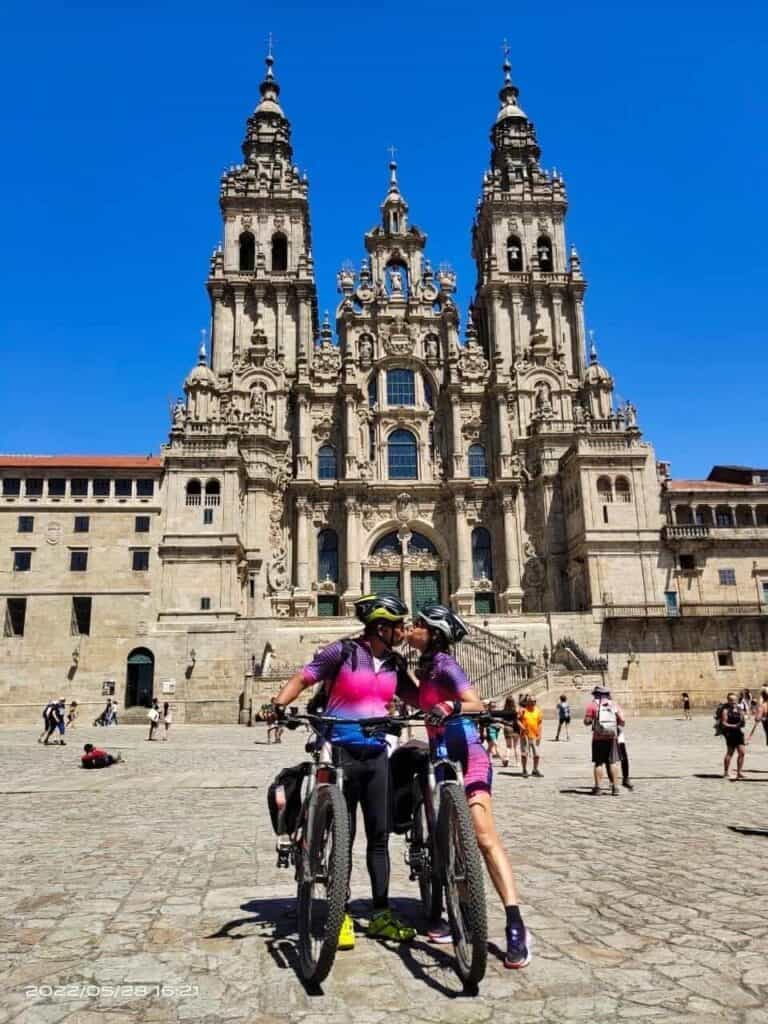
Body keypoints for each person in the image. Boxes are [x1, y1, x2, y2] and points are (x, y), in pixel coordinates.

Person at [271, 594, 418, 949]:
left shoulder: (396, 665)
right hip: (340, 751)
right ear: (381, 628)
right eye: (399, 626)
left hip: (375, 755)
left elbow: (418, 697)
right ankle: (342, 914)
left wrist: (450, 703)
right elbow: (304, 679)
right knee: (344, 838)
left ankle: (381, 912)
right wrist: (277, 705)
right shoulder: (343, 653)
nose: (405, 632)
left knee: (379, 837)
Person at [405, 605, 531, 968]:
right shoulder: (425, 670)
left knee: (483, 836)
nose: (411, 629)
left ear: (434, 634)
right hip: (441, 758)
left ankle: (514, 921)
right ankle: (454, 912)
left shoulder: (446, 664)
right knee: (448, 843)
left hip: (468, 753)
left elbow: (473, 703)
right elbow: (418, 699)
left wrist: (448, 706)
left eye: (418, 625)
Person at [583, 686, 625, 796]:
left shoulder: (592, 705)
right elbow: (622, 721)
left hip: (598, 738)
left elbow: (587, 722)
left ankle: (598, 788)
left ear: (595, 694)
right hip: (612, 738)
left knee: (598, 763)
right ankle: (615, 787)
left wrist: (592, 721)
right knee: (613, 762)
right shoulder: (614, 704)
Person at [720, 691, 746, 780]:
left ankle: (739, 772)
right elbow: (724, 723)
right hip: (730, 733)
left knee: (742, 753)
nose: (733, 701)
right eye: (731, 700)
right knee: (730, 753)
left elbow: (742, 722)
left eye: (734, 700)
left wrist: (742, 721)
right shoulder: (725, 710)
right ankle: (726, 772)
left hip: (738, 733)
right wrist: (734, 726)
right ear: (728, 700)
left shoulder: (739, 709)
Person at [518, 696, 544, 778]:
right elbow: (517, 720)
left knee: (537, 754)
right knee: (524, 754)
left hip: (534, 735)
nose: (533, 703)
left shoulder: (538, 711)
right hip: (524, 735)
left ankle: (535, 769)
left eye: (534, 701)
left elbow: (539, 723)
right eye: (531, 701)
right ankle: (524, 769)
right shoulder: (523, 711)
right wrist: (522, 727)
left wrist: (539, 735)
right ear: (527, 702)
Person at [502, 695, 520, 767]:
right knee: (516, 746)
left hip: (507, 728)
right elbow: (518, 719)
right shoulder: (516, 710)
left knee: (508, 746)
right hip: (515, 728)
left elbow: (502, 720)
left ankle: (507, 758)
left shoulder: (504, 711)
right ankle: (518, 762)